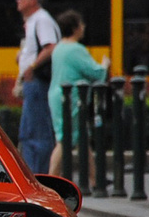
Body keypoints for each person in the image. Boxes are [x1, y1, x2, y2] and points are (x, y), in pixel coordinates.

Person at [46, 10, 109, 176]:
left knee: (82, 139)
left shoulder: (59, 48)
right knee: (64, 139)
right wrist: (104, 65)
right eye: (81, 24)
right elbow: (95, 73)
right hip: (71, 99)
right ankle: (51, 181)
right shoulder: (75, 49)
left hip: (57, 96)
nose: (84, 27)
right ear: (74, 28)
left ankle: (95, 179)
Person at [14, 0, 61, 176]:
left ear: (33, 0)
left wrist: (31, 67)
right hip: (32, 84)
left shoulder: (42, 20)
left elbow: (50, 47)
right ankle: (32, 175)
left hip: (38, 84)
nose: (18, 0)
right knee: (28, 133)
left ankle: (37, 177)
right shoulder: (35, 20)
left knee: (36, 133)